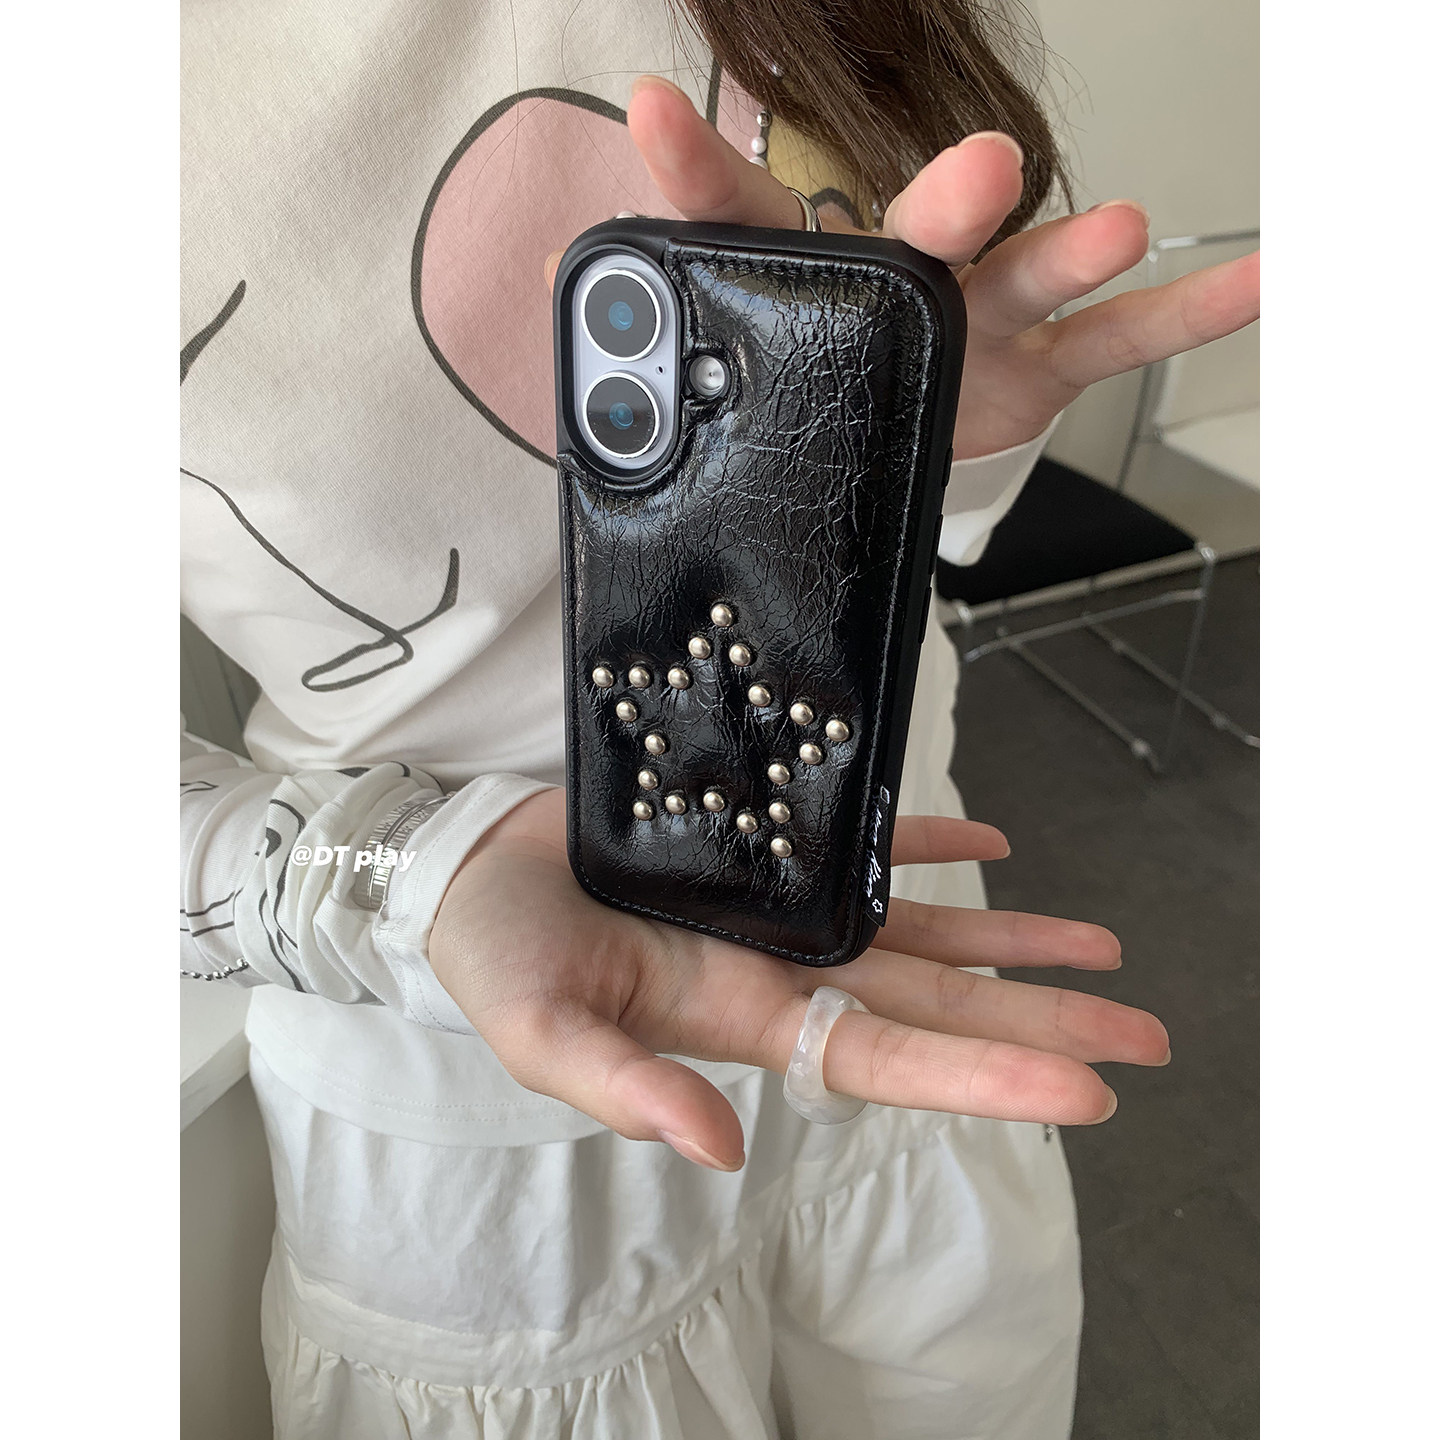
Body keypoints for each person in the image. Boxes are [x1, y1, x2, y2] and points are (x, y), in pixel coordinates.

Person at [180, 2, 1258, 1435]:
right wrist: (415, 878)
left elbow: (925, 522)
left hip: (874, 910)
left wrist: (919, 453)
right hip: (472, 1103)